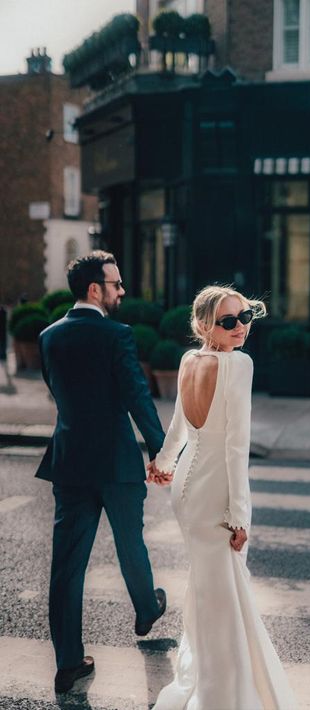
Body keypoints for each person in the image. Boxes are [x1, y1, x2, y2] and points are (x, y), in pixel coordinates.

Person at [148, 285, 297, 710]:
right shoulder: (238, 366)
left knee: (209, 587)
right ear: (203, 325)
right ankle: (223, 695)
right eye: (228, 321)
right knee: (225, 595)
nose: (240, 328)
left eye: (245, 317)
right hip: (214, 494)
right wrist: (240, 515)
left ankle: (212, 682)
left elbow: (177, 426)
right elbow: (236, 447)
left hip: (186, 491)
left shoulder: (188, 359)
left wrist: (162, 463)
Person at [36, 251, 167, 694]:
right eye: (116, 284)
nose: (122, 291)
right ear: (96, 289)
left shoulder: (48, 336)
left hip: (70, 462)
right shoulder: (117, 335)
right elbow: (137, 396)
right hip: (115, 462)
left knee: (67, 569)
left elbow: (55, 389)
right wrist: (161, 451)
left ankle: (68, 664)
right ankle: (147, 610)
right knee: (131, 542)